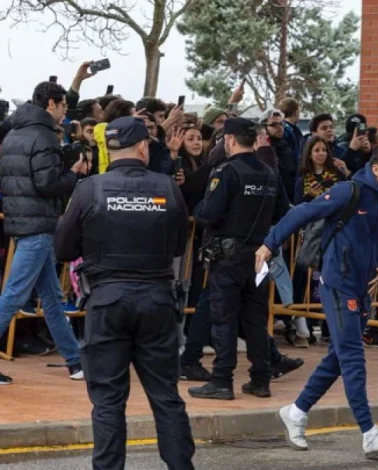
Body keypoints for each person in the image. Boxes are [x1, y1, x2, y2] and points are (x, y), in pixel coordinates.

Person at [53, 116, 195, 469]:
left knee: (108, 400)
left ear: (109, 149)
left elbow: (63, 248)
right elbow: (179, 245)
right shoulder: (167, 186)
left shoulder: (89, 189)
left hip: (107, 301)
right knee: (165, 397)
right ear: (144, 147)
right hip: (157, 300)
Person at [255, 146, 378, 459]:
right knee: (352, 356)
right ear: (376, 169)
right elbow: (301, 213)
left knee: (338, 358)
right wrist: (268, 246)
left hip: (363, 288)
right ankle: (369, 433)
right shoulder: (347, 192)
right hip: (337, 285)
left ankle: (295, 413)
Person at [188, 118, 290, 400]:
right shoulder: (270, 173)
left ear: (230, 140)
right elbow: (282, 210)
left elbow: (208, 213)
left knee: (224, 318)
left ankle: (222, 380)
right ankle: (260, 379)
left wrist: (199, 208)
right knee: (256, 319)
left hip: (229, 257)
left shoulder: (227, 172)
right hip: (259, 256)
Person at [0, 81, 91, 384]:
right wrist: (73, 173)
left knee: (51, 297)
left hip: (23, 222)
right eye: (64, 105)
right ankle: (76, 362)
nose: (66, 111)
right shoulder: (43, 136)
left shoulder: (14, 133)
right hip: (38, 226)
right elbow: (47, 184)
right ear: (51, 104)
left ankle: (75, 363)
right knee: (13, 297)